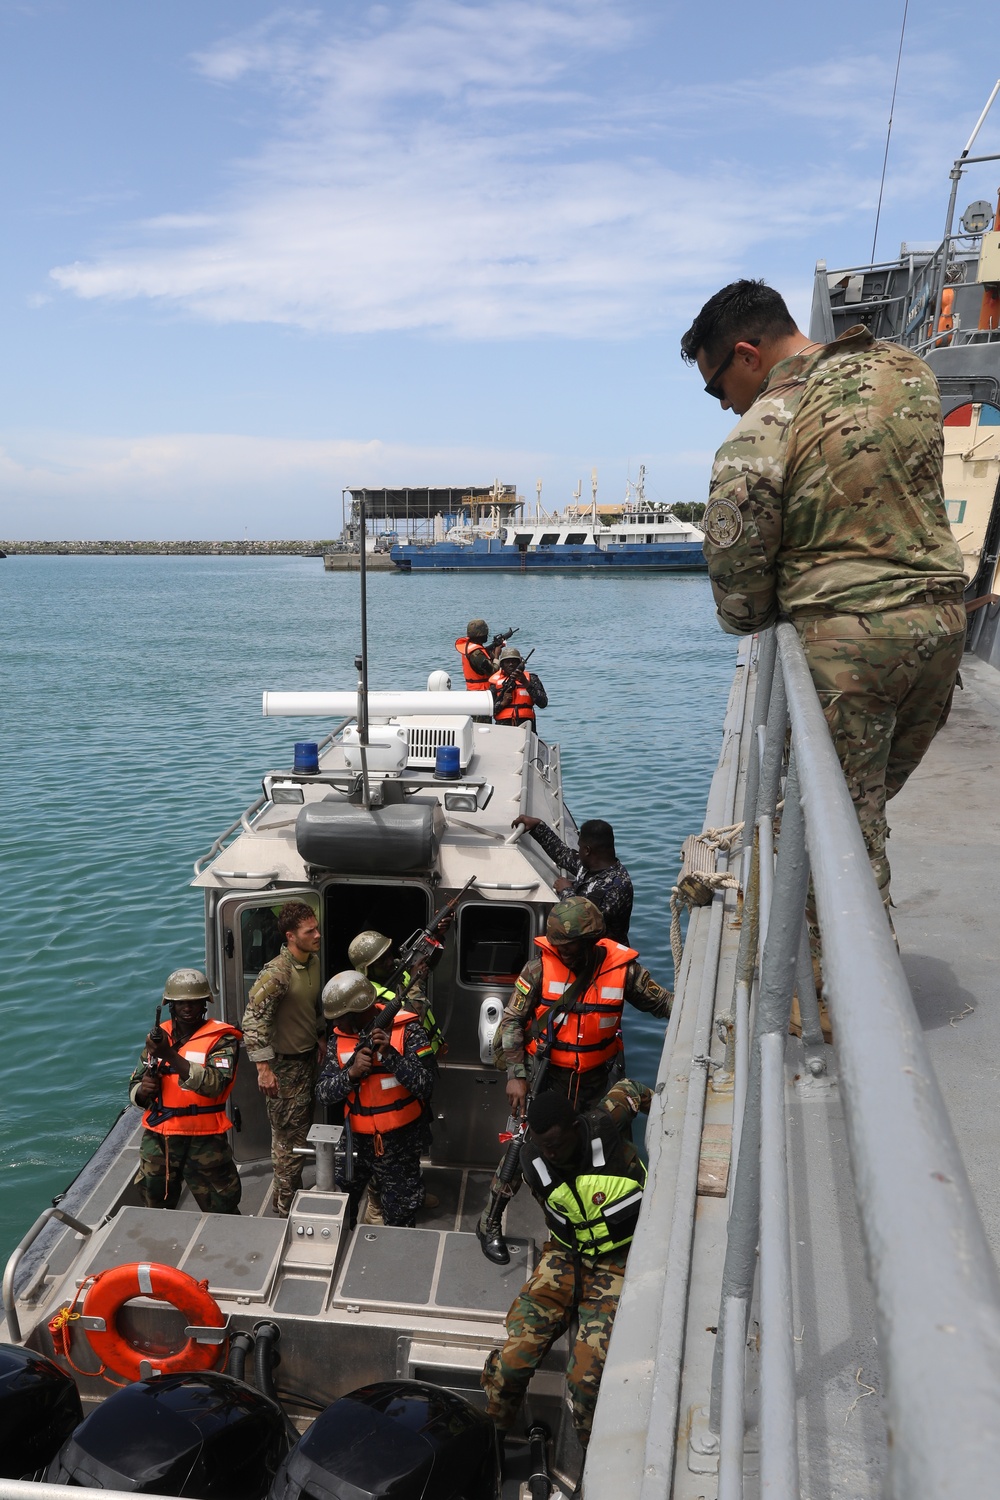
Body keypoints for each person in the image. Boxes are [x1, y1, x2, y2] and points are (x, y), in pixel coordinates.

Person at [680, 278, 967, 925]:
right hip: (942, 631)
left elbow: (741, 604)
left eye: (717, 386)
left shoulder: (758, 435)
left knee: (832, 837)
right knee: (862, 808)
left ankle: (850, 1004)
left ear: (748, 354)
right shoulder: (908, 371)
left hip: (851, 657)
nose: (724, 406)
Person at [477, 896, 669, 1261]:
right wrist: (517, 1075)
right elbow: (511, 1022)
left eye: (568, 949)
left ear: (590, 941)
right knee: (522, 1149)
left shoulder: (624, 971)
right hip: (549, 1081)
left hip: (600, 1079)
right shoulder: (537, 971)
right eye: (557, 948)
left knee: (612, 1152)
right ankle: (489, 1221)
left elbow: (663, 1004)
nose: (561, 954)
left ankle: (619, 1229)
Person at [481, 1080, 651, 1451]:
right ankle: (491, 1443)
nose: (551, 1153)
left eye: (556, 1144)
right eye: (543, 1146)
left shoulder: (607, 1120)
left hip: (617, 1260)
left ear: (576, 1128)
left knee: (586, 1380)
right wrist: (488, 1223)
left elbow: (632, 1089)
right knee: (509, 1365)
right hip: (563, 1255)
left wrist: (666, 1115)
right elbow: (500, 1187)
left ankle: (593, 1459)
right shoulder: (534, 1157)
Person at [315, 971, 436, 1228]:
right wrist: (351, 1074)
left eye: (340, 1017)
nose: (335, 1023)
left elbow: (426, 1085)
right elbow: (323, 1094)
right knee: (339, 1209)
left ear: (357, 1011)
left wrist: (391, 1056)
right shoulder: (339, 1039)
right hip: (355, 1143)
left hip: (400, 1143)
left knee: (400, 1216)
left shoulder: (409, 1031)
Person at [346, 928, 444, 1223]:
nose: (392, 960)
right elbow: (414, 1009)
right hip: (390, 1084)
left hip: (415, 1069)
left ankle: (413, 1189)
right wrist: (416, 981)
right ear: (368, 968)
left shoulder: (397, 977)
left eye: (390, 954)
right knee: (385, 1158)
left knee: (415, 1141)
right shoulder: (372, 996)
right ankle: (376, 1204)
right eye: (383, 958)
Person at [129, 968, 241, 1214]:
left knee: (221, 1205)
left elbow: (215, 1084)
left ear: (204, 1004)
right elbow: (135, 1088)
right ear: (170, 1005)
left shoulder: (221, 1040)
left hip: (205, 1139)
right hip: (160, 1139)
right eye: (181, 1003)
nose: (187, 1008)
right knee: (154, 1202)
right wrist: (143, 1090)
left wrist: (168, 1055)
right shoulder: (157, 1038)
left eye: (194, 1002)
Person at [242, 901, 325, 1217]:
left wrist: (319, 1035)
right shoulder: (278, 973)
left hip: (306, 1061)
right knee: (287, 1140)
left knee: (298, 1133)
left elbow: (311, 1007)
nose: (317, 934)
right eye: (310, 931)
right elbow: (252, 1020)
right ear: (291, 936)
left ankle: (284, 1195)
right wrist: (264, 1068)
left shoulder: (312, 963)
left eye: (316, 927)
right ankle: (286, 1206)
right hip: (284, 1066)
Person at [511, 815, 634, 942]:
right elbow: (563, 854)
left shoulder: (615, 887)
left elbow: (584, 923)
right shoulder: (590, 866)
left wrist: (566, 891)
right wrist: (538, 827)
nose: (578, 850)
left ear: (587, 850)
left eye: (580, 846)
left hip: (601, 956)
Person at [489, 647, 548, 727]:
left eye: (514, 661)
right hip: (503, 727)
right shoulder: (495, 683)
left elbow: (543, 703)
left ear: (519, 663)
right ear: (502, 665)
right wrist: (503, 703)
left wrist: (526, 683)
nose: (511, 664)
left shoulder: (531, 679)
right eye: (507, 662)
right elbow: (489, 711)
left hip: (526, 727)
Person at [454, 619, 497, 689]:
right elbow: (493, 672)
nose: (487, 636)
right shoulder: (477, 654)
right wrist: (497, 656)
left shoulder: (468, 647)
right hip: (482, 692)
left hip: (472, 689)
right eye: (485, 634)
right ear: (480, 635)